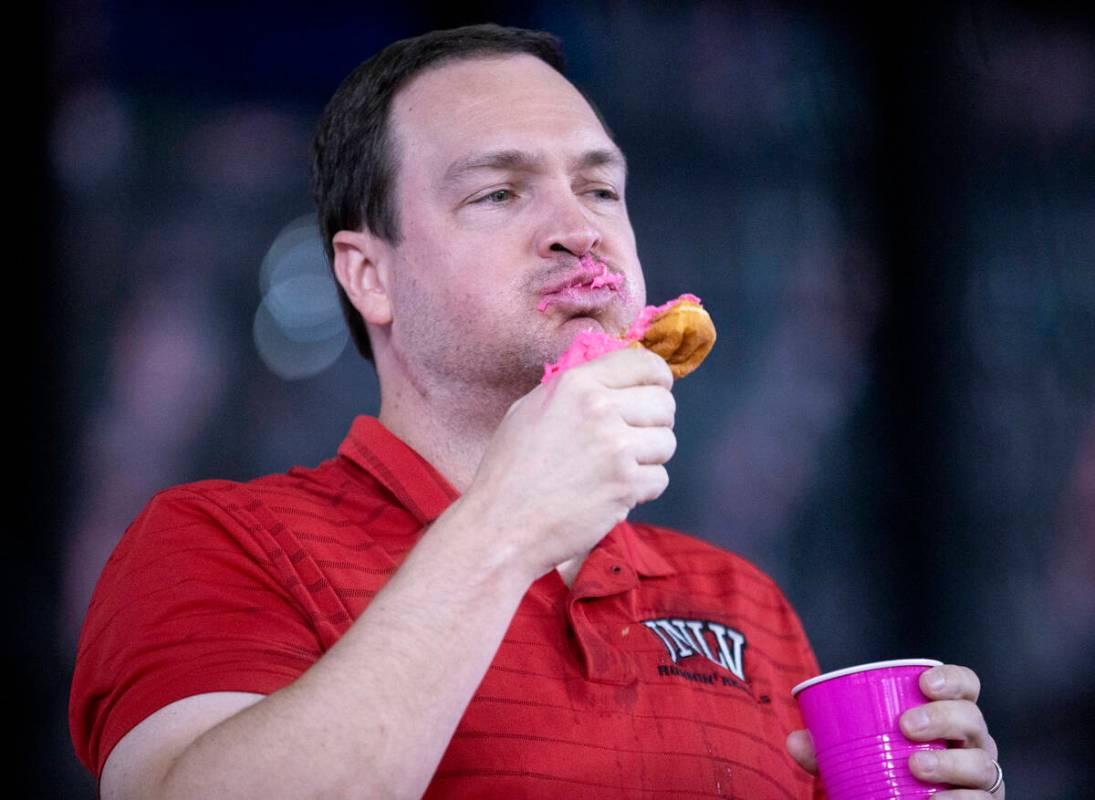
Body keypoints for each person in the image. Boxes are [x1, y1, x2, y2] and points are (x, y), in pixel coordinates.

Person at [70, 24, 1004, 799]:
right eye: (498, 191)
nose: (580, 227)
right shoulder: (218, 543)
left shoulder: (741, 602)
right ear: (369, 275)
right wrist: (508, 523)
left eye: (599, 188)